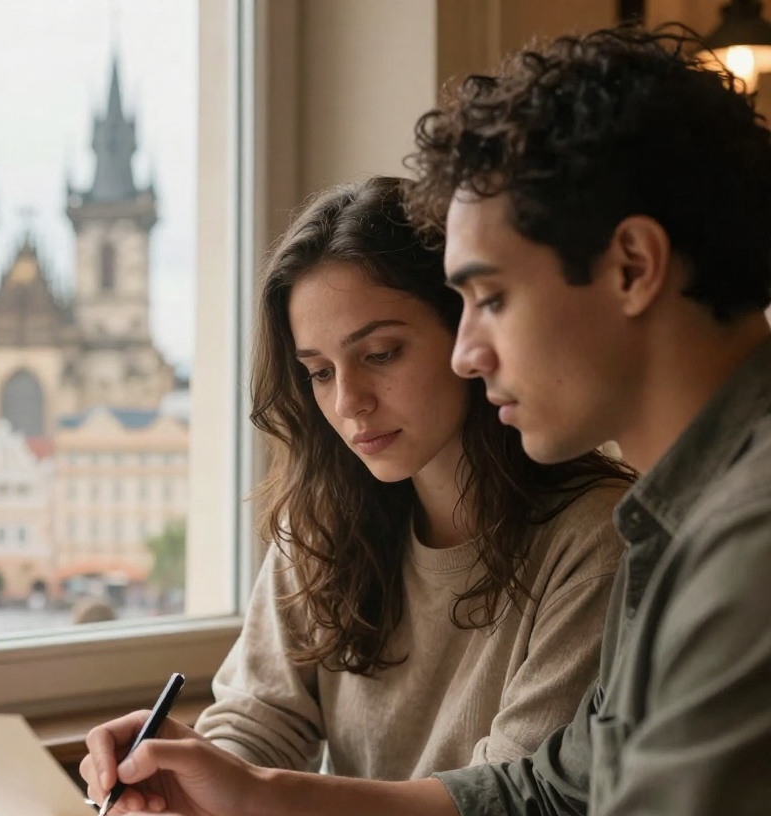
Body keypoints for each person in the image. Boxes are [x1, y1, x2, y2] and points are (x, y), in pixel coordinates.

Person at [47, 26, 771, 816]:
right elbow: (545, 805)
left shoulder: (745, 539)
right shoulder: (687, 515)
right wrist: (249, 793)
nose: (467, 353)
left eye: (488, 298)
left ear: (633, 265)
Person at [193, 175, 631, 783]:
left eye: (380, 354)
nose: (349, 402)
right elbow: (259, 717)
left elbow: (509, 811)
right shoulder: (322, 521)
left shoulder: (597, 540)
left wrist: (252, 797)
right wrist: (183, 774)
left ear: (467, 331)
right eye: (319, 372)